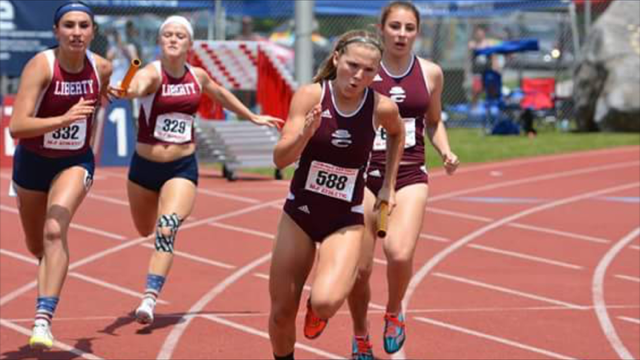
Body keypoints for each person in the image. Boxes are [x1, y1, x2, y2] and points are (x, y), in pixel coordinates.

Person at [108, 15, 283, 325]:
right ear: (160, 42)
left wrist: (251, 116)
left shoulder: (197, 76)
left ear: (189, 43)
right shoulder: (152, 73)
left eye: (180, 35)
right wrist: (127, 91)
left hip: (181, 167)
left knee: (167, 227)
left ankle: (149, 298)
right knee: (144, 229)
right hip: (144, 169)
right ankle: (150, 287)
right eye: (168, 35)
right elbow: (137, 86)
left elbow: (220, 94)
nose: (173, 39)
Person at [268, 30, 405, 360]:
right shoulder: (310, 96)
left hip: (345, 218)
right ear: (336, 59)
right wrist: (304, 135)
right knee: (282, 313)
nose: (359, 76)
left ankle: (317, 309)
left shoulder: (381, 107)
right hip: (300, 212)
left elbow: (398, 134)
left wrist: (389, 183)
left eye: (369, 70)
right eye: (353, 65)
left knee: (327, 302)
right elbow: (280, 158)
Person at [346, 2, 460, 359]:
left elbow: (434, 121)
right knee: (361, 269)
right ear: (381, 28)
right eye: (395, 26)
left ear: (417, 32)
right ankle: (360, 334)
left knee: (398, 253)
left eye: (409, 28)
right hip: (362, 176)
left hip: (410, 173)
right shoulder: (365, 71)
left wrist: (445, 150)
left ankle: (394, 311)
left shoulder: (430, 73)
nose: (401, 34)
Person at [8, 1, 112, 350]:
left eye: (84, 26)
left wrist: (103, 95)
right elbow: (17, 127)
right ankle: (48, 272)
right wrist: (64, 120)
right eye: (69, 25)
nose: (77, 32)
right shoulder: (41, 66)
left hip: (75, 161)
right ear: (56, 31)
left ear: (92, 32)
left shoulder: (103, 67)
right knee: (37, 245)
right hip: (32, 164)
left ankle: (42, 319)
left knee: (55, 230)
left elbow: (100, 94)